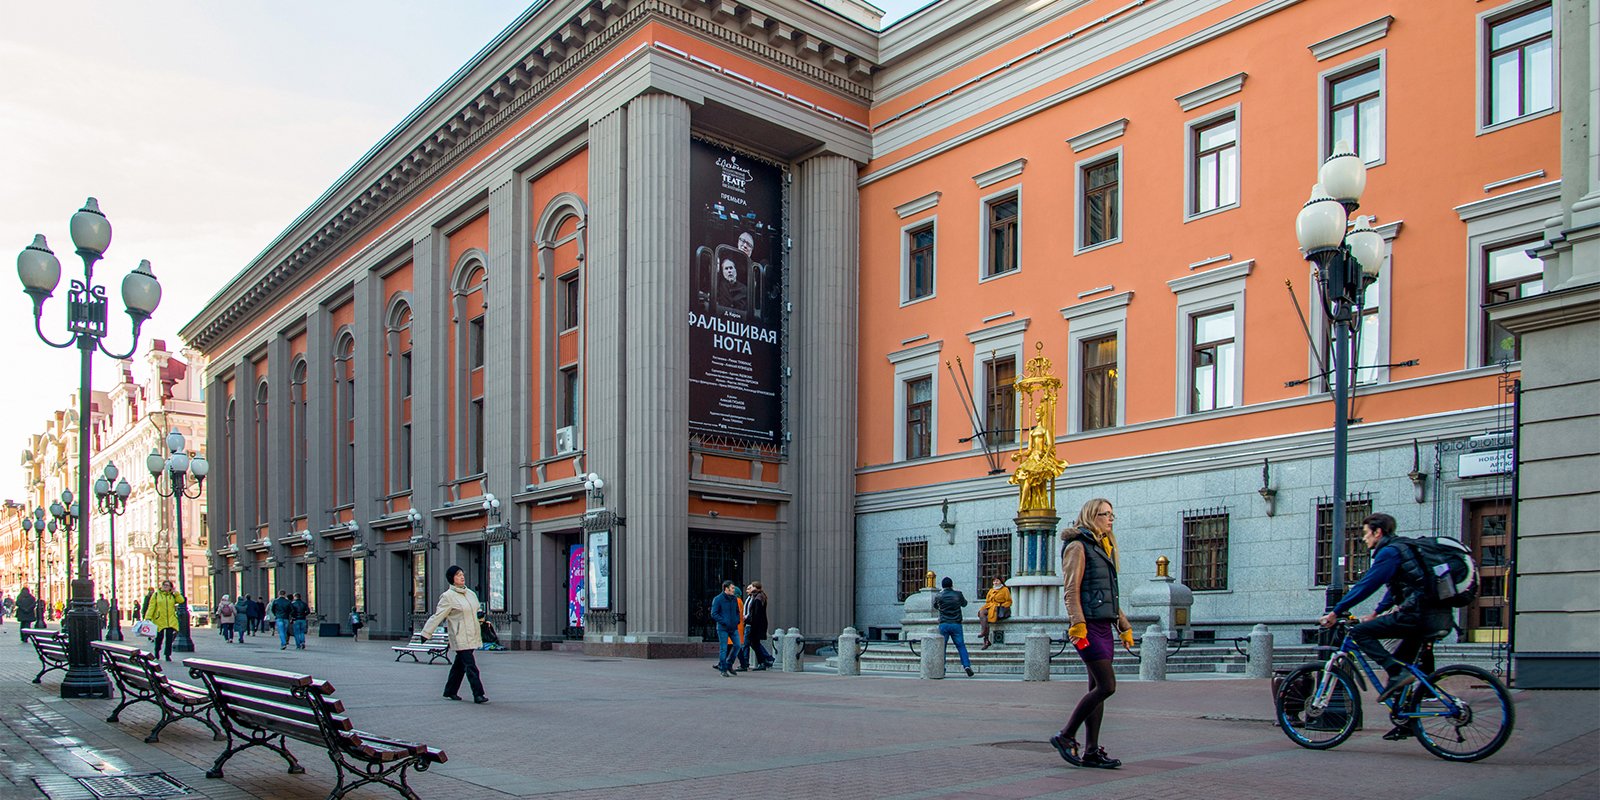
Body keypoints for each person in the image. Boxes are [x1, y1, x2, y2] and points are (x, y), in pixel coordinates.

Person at [1319, 512, 1454, 737]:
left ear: (1377, 532)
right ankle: (1408, 721)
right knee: (1404, 665)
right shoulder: (1402, 549)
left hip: (1416, 615)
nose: (1364, 539)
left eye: (1365, 533)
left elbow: (1368, 583)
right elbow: (1395, 589)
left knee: (1359, 633)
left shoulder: (1389, 552)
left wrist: (1336, 611)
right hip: (1434, 614)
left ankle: (1395, 672)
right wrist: (1376, 612)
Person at [1050, 498, 1133, 770]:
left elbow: (1111, 595)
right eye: (1105, 514)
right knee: (1107, 686)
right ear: (1091, 516)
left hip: (1103, 625)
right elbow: (1071, 590)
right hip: (1088, 627)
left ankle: (1091, 751)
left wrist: (1124, 625)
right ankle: (1065, 735)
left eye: (1112, 514)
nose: (1110, 519)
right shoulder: (1078, 546)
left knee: (1096, 687)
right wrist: (1077, 624)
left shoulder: (1103, 547)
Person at [421, 565, 487, 703]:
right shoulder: (448, 597)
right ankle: (478, 694)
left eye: (462, 574)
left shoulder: (470, 594)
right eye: (458, 575)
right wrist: (426, 633)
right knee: (471, 666)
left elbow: (477, 610)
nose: (462, 577)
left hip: (473, 633)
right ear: (452, 579)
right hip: (459, 635)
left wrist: (480, 615)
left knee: (460, 665)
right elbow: (438, 616)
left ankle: (450, 690)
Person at [933, 577, 975, 677]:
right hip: (956, 624)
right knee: (961, 646)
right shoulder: (958, 594)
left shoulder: (939, 596)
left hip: (944, 624)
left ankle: (941, 668)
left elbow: (935, 606)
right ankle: (966, 666)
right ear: (952, 585)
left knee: (942, 647)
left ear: (942, 586)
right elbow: (964, 604)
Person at [143, 580, 184, 662]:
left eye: (167, 585)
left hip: (170, 620)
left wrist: (175, 593)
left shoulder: (172, 596)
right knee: (159, 638)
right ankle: (157, 652)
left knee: (169, 639)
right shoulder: (156, 594)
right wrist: (148, 617)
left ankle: (167, 655)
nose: (165, 586)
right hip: (159, 619)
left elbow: (181, 600)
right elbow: (152, 606)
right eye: (164, 585)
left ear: (170, 587)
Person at [711, 581, 741, 677]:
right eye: (732, 588)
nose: (734, 590)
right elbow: (714, 613)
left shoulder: (734, 599)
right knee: (723, 648)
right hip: (723, 628)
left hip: (733, 627)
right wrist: (724, 621)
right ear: (726, 588)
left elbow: (737, 611)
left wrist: (736, 620)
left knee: (737, 645)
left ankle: (729, 664)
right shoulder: (718, 599)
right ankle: (723, 669)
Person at [742, 581, 774, 671]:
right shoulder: (759, 597)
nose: (749, 589)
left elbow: (756, 614)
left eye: (751, 587)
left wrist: (748, 620)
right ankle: (765, 661)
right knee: (754, 644)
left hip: (755, 625)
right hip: (756, 625)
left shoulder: (757, 599)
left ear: (756, 587)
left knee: (751, 643)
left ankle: (764, 661)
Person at [979, 577, 1012, 650]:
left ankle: (985, 638)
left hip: (999, 608)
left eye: (997, 581)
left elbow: (1009, 601)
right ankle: (984, 633)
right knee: (982, 613)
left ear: (1001, 581)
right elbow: (987, 601)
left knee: (986, 618)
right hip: (991, 607)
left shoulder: (1005, 590)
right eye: (994, 581)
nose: (995, 582)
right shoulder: (991, 590)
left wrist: (1001, 605)